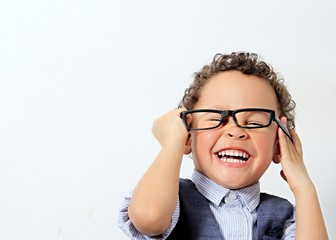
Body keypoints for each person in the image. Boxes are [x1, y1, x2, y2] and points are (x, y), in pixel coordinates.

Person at [118, 52, 328, 239]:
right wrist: (173, 141)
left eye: (254, 122)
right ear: (188, 136)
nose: (235, 131)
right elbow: (149, 218)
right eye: (216, 118)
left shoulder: (284, 217)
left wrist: (303, 186)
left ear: (278, 144)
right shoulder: (169, 199)